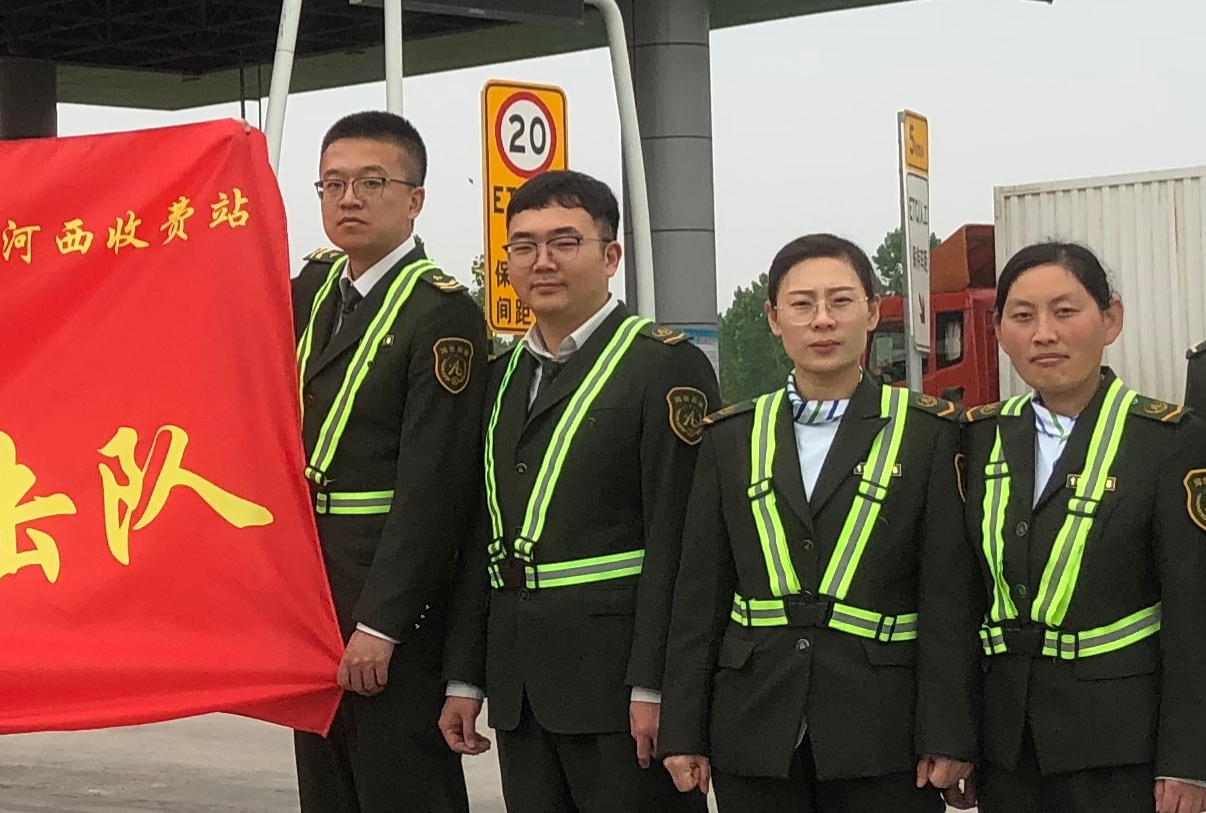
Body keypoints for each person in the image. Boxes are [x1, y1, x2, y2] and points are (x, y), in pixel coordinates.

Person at [660, 234, 975, 811]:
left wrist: (949, 732)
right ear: (774, 319)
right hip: (753, 726)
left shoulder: (930, 433)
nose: (822, 320)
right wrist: (682, 728)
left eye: (841, 301)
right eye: (802, 304)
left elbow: (948, 598)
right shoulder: (730, 436)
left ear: (872, 312)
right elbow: (699, 595)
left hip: (884, 731)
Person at [439, 168, 718, 813]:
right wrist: (465, 675)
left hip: (620, 689)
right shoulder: (501, 375)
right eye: (524, 246)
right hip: (521, 684)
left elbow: (682, 543)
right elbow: (482, 535)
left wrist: (657, 687)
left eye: (565, 242)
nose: (543, 261)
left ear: (611, 256)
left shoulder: (662, 364)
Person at [285, 110, 486, 813]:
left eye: (371, 182)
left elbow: (435, 488)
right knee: (328, 787)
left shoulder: (441, 314)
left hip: (389, 600)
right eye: (332, 184)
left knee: (400, 786)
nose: (349, 199)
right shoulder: (312, 289)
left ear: (414, 199)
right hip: (312, 588)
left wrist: (381, 623)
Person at [960, 241, 1206, 813]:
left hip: (1122, 749)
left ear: (1110, 319)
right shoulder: (977, 438)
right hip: (1007, 749)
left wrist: (1188, 761)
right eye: (1023, 316)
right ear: (999, 332)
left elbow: (1193, 613)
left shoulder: (1169, 441)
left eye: (1065, 311)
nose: (1043, 334)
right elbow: (957, 598)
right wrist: (957, 737)